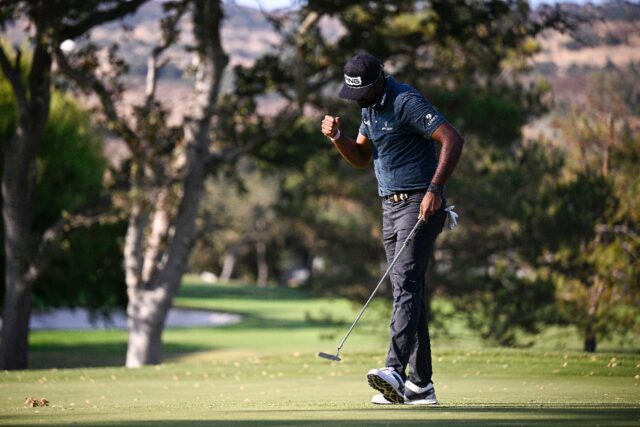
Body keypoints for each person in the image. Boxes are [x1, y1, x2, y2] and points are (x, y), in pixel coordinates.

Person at [320, 52, 464, 405]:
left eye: (363, 93)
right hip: (389, 206)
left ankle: (394, 371)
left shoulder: (405, 101)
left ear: (378, 81)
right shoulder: (368, 108)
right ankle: (421, 385)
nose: (359, 101)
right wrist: (338, 136)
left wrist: (434, 190)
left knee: (406, 285)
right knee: (407, 289)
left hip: (420, 202)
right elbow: (361, 157)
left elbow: (452, 139)